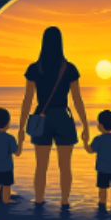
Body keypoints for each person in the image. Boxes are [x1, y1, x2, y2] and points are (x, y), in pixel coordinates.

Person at [13, 26, 88, 209]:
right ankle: (65, 203)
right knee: (65, 166)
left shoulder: (35, 68)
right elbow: (77, 99)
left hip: (41, 118)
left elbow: (27, 100)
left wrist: (21, 128)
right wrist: (85, 124)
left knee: (41, 166)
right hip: (63, 117)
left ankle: (39, 201)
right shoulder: (69, 68)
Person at [86, 110, 111, 213]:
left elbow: (90, 150)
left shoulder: (98, 139)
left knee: (102, 188)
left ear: (100, 125)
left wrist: (85, 142)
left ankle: (102, 205)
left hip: (102, 169)